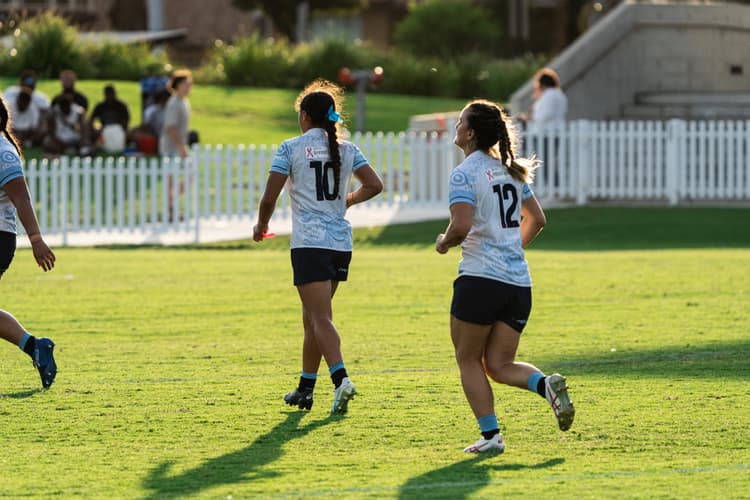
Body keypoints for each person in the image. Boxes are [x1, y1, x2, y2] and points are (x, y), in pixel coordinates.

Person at [435, 99, 574, 453]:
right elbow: (537, 219)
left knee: (468, 359)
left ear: (470, 132)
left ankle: (490, 436)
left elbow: (461, 226)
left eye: (460, 121)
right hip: (518, 283)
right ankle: (545, 385)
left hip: (480, 279)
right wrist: (511, 248)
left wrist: (443, 243)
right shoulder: (511, 170)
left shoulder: (464, 173)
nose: (456, 126)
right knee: (498, 364)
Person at [252, 79, 383, 415]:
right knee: (312, 317)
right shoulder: (348, 149)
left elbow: (270, 196)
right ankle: (305, 389)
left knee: (320, 317)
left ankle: (341, 380)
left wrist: (262, 225)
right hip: (339, 242)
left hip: (310, 243)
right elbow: (375, 185)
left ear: (306, 117)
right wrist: (348, 201)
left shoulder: (290, 148)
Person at [0, 96, 57, 388]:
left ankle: (34, 346)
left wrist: (36, 239)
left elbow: (22, 198)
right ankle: (35, 347)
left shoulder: (2, 151)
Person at [44, 90, 91, 156]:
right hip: (59, 139)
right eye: (63, 105)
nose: (65, 108)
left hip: (74, 139)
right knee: (48, 143)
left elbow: (84, 127)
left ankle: (78, 149)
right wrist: (58, 141)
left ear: (71, 104)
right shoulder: (53, 113)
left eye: (66, 105)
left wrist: (83, 139)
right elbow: (51, 132)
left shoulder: (79, 112)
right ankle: (70, 150)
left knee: (86, 140)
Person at [159, 70, 192, 159]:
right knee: (173, 172)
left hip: (180, 145)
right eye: (186, 84)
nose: (189, 86)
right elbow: (171, 127)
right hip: (171, 148)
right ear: (178, 85)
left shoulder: (184, 101)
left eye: (190, 84)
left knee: (190, 171)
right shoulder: (174, 103)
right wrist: (180, 146)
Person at [90, 84, 130, 153]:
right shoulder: (100, 106)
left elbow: (125, 122)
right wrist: (96, 129)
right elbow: (91, 119)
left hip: (119, 129)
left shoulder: (121, 106)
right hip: (103, 128)